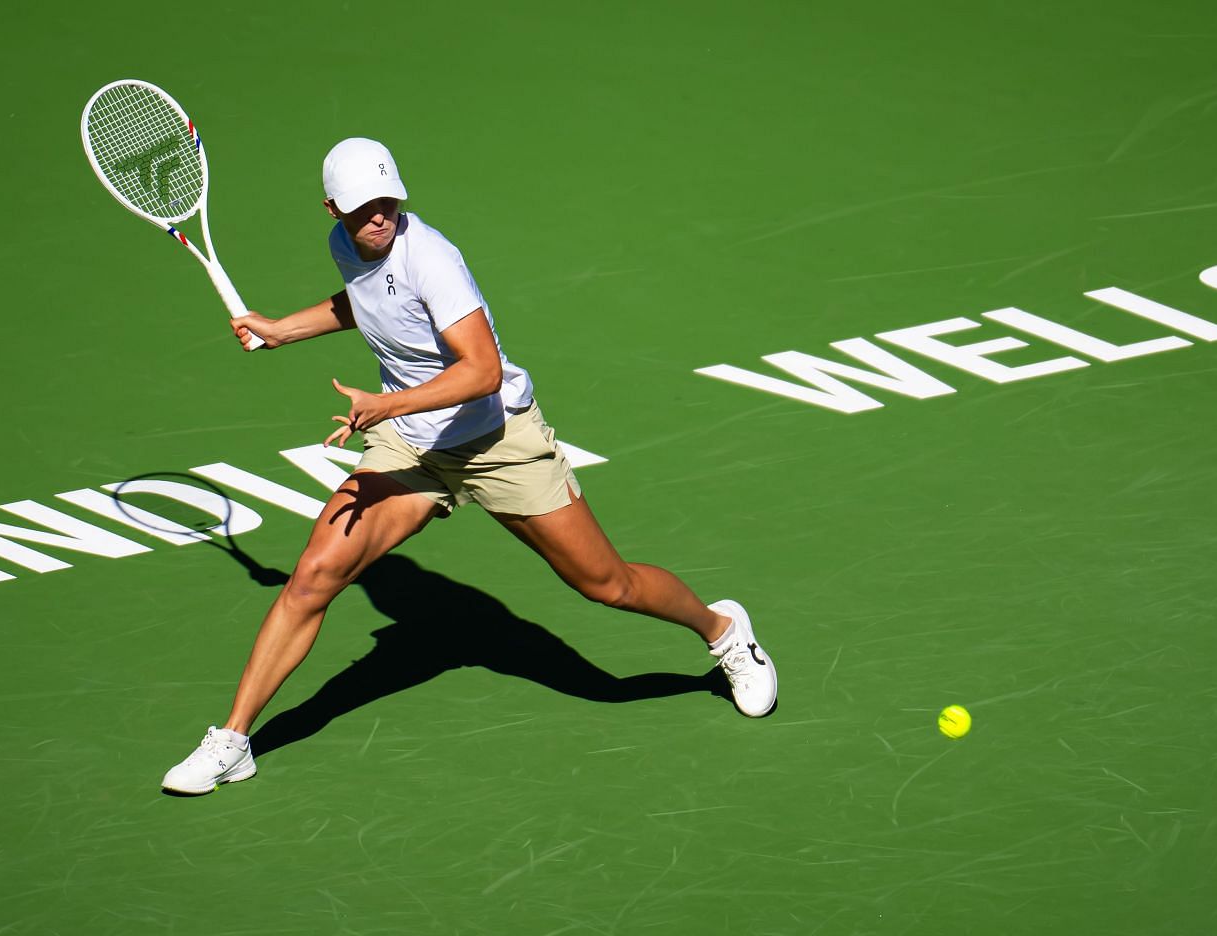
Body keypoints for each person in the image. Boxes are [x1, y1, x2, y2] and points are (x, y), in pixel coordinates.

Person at [161, 137, 776, 795]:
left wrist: (385, 403)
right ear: (333, 209)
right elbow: (362, 301)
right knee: (315, 573)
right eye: (363, 207)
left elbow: (481, 372)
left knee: (607, 585)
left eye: (387, 201)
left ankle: (724, 632)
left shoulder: (431, 258)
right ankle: (233, 741)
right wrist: (285, 328)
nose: (379, 216)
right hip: (413, 447)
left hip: (496, 440)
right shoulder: (348, 245)